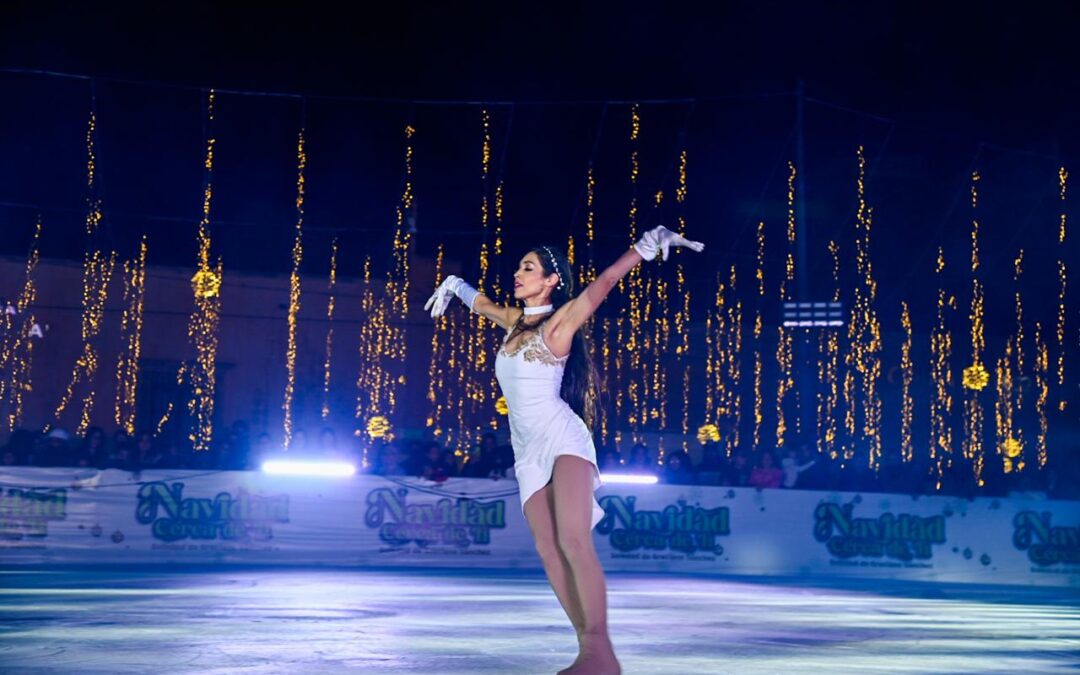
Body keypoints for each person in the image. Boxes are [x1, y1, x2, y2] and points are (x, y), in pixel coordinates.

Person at [425, 224, 704, 675]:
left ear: (551, 279)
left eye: (528, 268)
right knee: (548, 548)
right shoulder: (515, 322)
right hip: (527, 449)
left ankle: (600, 653)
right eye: (519, 267)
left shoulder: (560, 322)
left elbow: (604, 284)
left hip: (562, 438)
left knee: (573, 540)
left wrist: (644, 247)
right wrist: (454, 285)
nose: (518, 273)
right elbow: (481, 304)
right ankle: (588, 651)